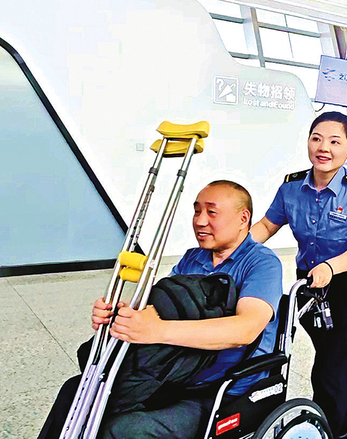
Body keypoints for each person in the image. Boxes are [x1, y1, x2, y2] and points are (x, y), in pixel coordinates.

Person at [38, 181, 282, 439]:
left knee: (122, 430)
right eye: (196, 211)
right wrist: (119, 316)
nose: (200, 221)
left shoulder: (262, 263)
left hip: (221, 389)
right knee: (76, 393)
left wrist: (157, 330)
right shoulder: (193, 258)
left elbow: (245, 330)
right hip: (174, 372)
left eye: (212, 212)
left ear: (243, 218)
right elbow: (160, 308)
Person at [251, 111, 347, 439]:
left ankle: (330, 428)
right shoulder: (291, 187)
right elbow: (266, 225)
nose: (324, 147)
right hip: (308, 286)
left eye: (335, 142)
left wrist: (331, 266)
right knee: (332, 354)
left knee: (329, 361)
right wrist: (233, 249)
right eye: (317, 139)